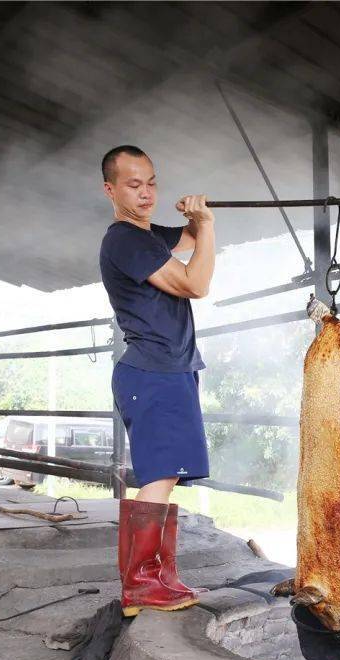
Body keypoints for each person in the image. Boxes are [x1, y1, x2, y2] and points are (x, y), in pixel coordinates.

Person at [99, 144, 217, 617]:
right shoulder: (125, 240)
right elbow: (195, 283)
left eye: (151, 182)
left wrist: (197, 217)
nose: (146, 193)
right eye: (133, 184)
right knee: (160, 475)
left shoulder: (148, 238)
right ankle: (141, 584)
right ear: (111, 189)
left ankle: (158, 576)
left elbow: (187, 239)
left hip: (171, 369)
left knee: (166, 477)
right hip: (151, 371)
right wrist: (206, 227)